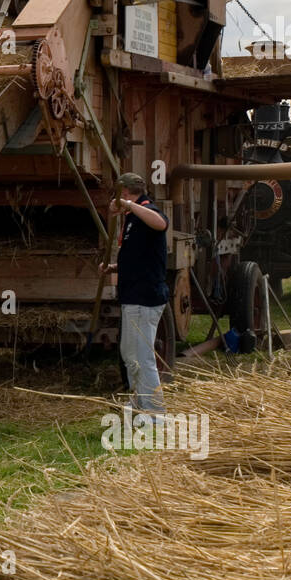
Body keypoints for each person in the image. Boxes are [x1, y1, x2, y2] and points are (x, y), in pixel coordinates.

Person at [99, 172, 170, 417]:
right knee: (129, 354)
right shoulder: (131, 219)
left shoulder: (146, 210)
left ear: (126, 194)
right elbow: (140, 256)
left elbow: (161, 223)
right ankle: (139, 403)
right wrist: (114, 268)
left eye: (119, 195)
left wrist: (128, 206)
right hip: (132, 295)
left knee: (142, 355)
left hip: (145, 296)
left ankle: (154, 411)